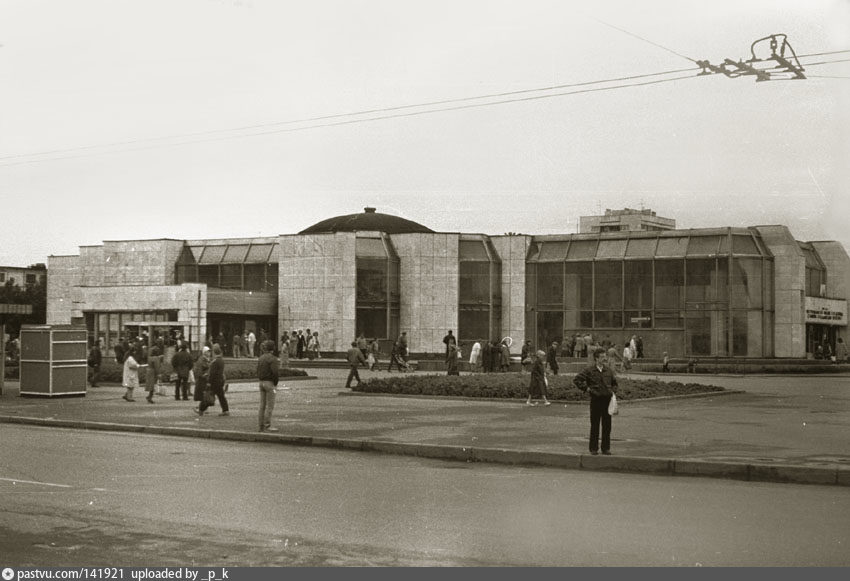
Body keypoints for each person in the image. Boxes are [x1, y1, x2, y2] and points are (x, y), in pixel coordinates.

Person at [573, 348, 618, 455]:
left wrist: (613, 391)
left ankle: (605, 448)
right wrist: (587, 389)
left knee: (607, 426)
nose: (604, 359)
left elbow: (615, 383)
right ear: (596, 358)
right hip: (596, 400)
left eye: (605, 356)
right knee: (595, 425)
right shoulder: (589, 370)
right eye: (602, 357)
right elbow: (577, 380)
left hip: (607, 401)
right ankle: (593, 448)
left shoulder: (608, 370)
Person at [197, 344, 229, 416]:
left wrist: (209, 382)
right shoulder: (221, 360)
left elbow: (212, 373)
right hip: (220, 381)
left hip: (214, 382)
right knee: (221, 396)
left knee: (208, 396)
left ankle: (201, 409)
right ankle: (225, 410)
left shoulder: (215, 362)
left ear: (214, 352)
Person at [257, 340, 280, 432]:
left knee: (262, 405)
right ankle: (268, 425)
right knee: (270, 405)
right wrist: (275, 383)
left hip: (261, 382)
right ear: (273, 348)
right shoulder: (273, 359)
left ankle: (260, 426)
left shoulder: (261, 358)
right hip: (269, 383)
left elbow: (257, 370)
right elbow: (275, 372)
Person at [192, 346, 212, 411]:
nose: (209, 353)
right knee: (202, 394)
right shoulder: (201, 360)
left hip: (206, 379)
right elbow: (198, 369)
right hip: (202, 379)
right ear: (204, 352)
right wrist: (202, 375)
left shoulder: (208, 359)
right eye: (208, 351)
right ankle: (201, 407)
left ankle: (204, 408)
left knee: (205, 394)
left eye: (209, 351)